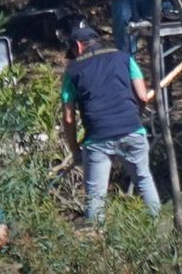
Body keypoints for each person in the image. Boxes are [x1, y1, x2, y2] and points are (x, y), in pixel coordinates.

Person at [61, 26, 161, 223]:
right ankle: (162, 231)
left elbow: (68, 118)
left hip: (97, 138)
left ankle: (96, 242)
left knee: (95, 196)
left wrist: (75, 150)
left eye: (72, 51)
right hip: (131, 129)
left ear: (78, 46)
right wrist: (133, 118)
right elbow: (142, 97)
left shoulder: (72, 71)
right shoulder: (124, 58)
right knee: (143, 180)